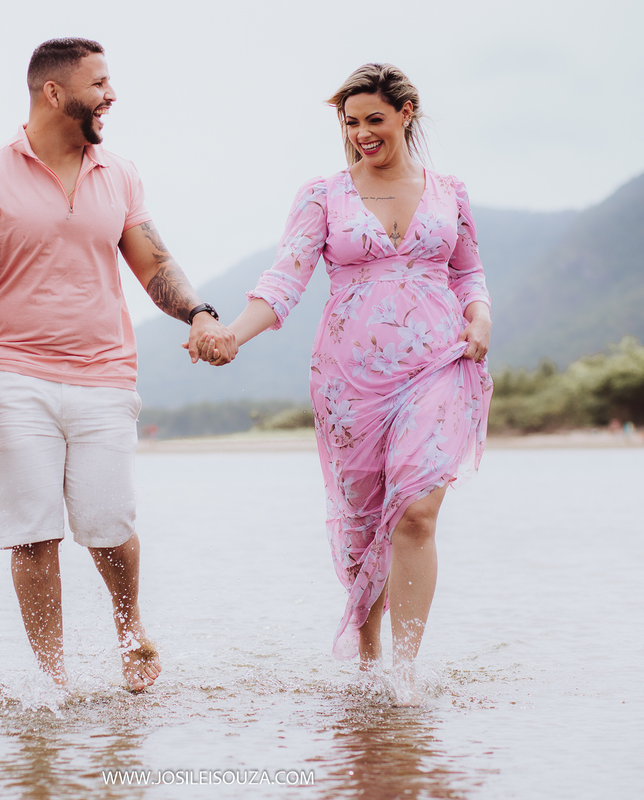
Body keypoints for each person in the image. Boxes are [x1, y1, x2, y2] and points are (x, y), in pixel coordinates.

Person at [0, 37, 237, 692]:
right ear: (54, 92)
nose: (112, 94)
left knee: (108, 525)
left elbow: (154, 264)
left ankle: (130, 631)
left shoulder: (119, 173)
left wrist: (201, 314)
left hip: (105, 376)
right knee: (33, 534)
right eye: (99, 83)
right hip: (15, 377)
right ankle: (53, 681)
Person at [198, 63, 492, 684]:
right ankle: (368, 660)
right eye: (350, 122)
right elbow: (285, 280)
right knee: (362, 526)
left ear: (406, 114)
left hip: (437, 364)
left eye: (374, 119)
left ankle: (405, 677)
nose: (361, 133)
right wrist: (231, 335)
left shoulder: (449, 191)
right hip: (348, 380)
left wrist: (480, 315)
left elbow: (467, 271)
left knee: (415, 511)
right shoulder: (322, 194)